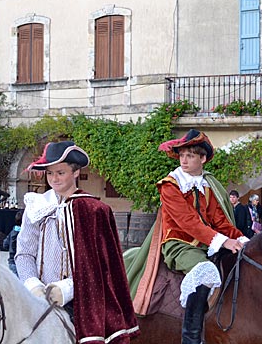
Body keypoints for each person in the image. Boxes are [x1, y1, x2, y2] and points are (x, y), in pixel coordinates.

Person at [15, 141, 139, 343]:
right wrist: (33, 285)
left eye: (60, 173)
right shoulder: (36, 206)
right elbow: (24, 253)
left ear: (75, 173)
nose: (54, 179)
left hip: (80, 301)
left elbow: (101, 267)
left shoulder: (93, 210)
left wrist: (65, 289)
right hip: (37, 299)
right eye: (50, 173)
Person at [157, 129, 248, 344]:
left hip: (206, 244)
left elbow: (220, 222)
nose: (184, 161)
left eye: (190, 155)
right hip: (178, 244)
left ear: (203, 158)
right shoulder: (170, 185)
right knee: (205, 272)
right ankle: (191, 339)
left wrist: (241, 239)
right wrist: (223, 241)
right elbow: (187, 221)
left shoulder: (207, 186)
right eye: (182, 155)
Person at [3, 210, 23, 276]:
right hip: (21, 262)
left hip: (11, 262)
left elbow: (5, 245)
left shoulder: (12, 232)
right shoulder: (24, 233)